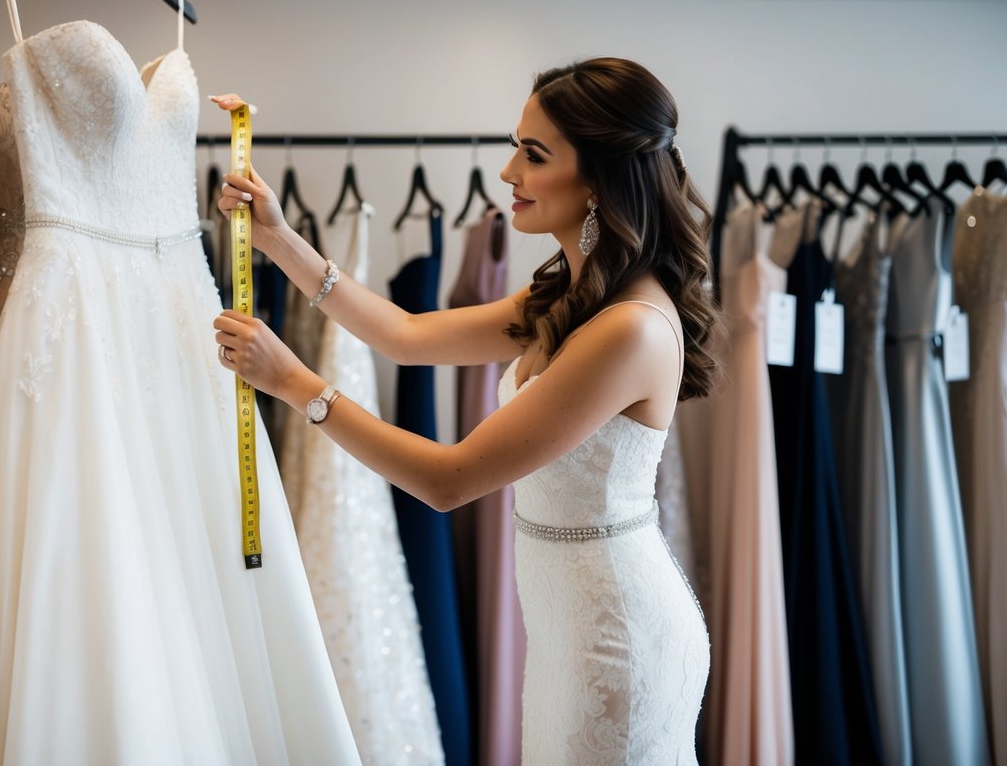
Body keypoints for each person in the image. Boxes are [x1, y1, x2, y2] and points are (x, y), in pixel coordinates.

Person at [210, 57, 716, 765]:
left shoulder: (626, 329)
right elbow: (406, 336)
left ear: (598, 179)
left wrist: (296, 384)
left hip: (615, 638)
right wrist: (278, 239)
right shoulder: (570, 299)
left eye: (532, 155)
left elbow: (450, 481)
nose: (507, 173)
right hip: (568, 623)